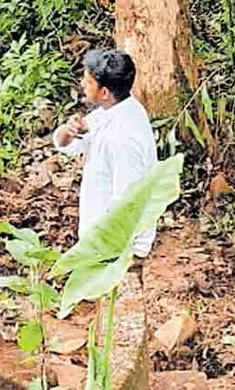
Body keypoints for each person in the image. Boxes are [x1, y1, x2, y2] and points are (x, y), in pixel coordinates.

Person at [53, 49, 158, 257]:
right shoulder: (112, 112)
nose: (82, 85)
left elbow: (126, 200)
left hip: (114, 247)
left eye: (88, 82)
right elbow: (64, 145)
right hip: (100, 238)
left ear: (104, 93)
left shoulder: (124, 138)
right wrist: (70, 130)